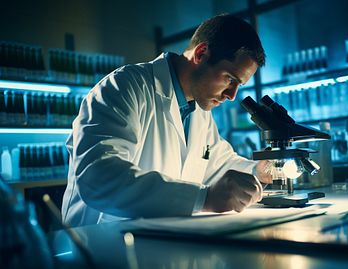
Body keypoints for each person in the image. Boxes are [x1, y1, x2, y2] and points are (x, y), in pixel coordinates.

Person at [61, 14, 272, 227]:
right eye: (230, 78)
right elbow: (99, 178)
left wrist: (258, 170)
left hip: (158, 244)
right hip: (98, 242)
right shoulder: (124, 87)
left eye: (239, 85)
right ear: (201, 53)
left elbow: (216, 163)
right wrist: (203, 199)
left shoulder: (199, 111)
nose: (232, 95)